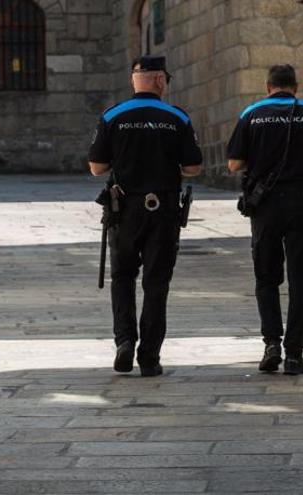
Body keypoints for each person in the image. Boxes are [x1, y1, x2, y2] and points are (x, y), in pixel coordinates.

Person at [88, 55, 202, 377]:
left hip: (124, 210)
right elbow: (193, 167)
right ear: (161, 81)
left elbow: (97, 168)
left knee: (123, 277)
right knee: (156, 283)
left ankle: (124, 341)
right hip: (163, 210)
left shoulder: (113, 116)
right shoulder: (176, 117)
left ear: (132, 80)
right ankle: (149, 356)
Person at [226, 64, 303, 375]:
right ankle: (294, 353)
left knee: (266, 277)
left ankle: (271, 344)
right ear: (296, 86)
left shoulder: (251, 113)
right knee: (300, 278)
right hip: (302, 203)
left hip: (264, 205)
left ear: (268, 87)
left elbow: (235, 163)